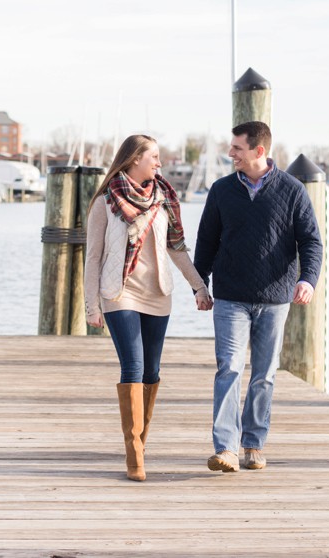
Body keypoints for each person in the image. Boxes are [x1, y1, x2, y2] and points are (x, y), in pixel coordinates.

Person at [193, 121, 323, 472]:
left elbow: (311, 241)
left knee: (264, 373)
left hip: (275, 298)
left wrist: (308, 279)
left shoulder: (292, 190)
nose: (230, 153)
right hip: (231, 297)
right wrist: (199, 284)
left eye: (237, 148)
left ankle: (253, 443)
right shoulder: (221, 191)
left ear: (259, 151)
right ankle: (226, 449)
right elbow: (206, 241)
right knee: (229, 368)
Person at [84, 134, 213, 481]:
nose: (159, 162)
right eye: (153, 156)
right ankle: (135, 456)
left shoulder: (163, 197)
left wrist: (199, 286)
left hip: (157, 294)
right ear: (134, 159)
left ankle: (141, 439)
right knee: (134, 366)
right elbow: (93, 257)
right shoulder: (106, 202)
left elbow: (177, 249)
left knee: (152, 371)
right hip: (119, 293)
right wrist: (90, 306)